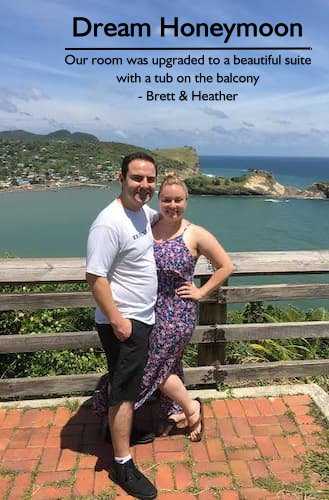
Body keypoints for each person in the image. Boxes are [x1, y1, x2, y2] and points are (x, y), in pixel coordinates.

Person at [134, 172, 234, 441]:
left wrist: (201, 291)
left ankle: (191, 408)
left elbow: (226, 266)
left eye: (178, 200)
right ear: (159, 200)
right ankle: (175, 413)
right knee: (169, 364)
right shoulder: (150, 225)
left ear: (186, 201)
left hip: (178, 312)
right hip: (149, 309)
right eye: (167, 199)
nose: (172, 205)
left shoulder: (195, 233)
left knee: (150, 364)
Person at [86, 152, 158, 500]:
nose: (144, 186)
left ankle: (122, 435)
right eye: (137, 178)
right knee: (124, 391)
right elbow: (95, 277)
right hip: (125, 323)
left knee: (128, 385)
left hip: (142, 317)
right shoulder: (109, 221)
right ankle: (122, 462)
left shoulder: (143, 213)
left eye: (149, 180)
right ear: (121, 178)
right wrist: (118, 321)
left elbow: (171, 220)